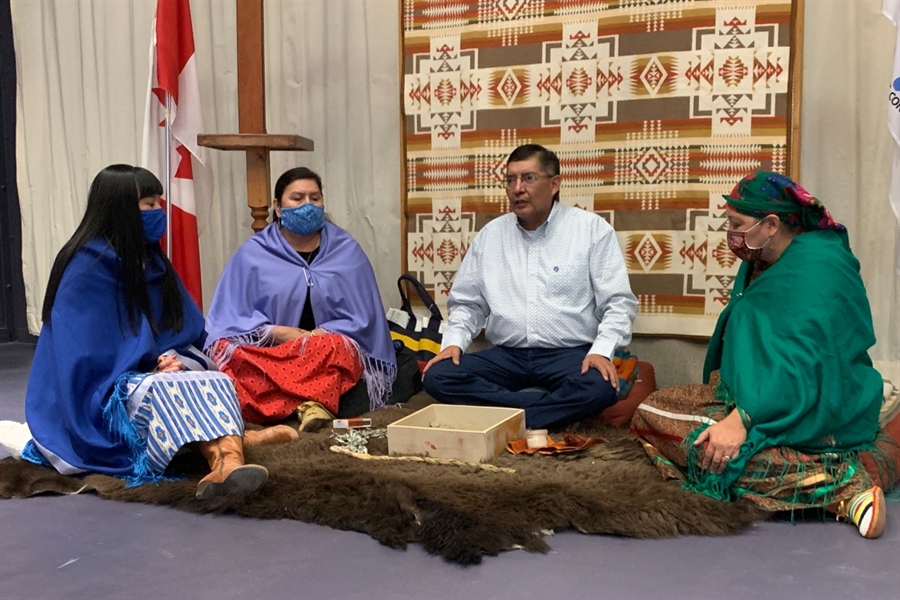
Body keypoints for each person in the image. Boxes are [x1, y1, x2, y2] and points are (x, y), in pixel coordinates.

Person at [631, 171, 893, 539]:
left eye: (736, 224)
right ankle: (807, 476)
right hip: (764, 393)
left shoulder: (817, 268)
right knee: (652, 412)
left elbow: (807, 366)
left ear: (771, 224)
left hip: (821, 405)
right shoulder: (765, 259)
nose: (730, 234)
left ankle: (840, 489)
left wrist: (743, 420)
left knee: (696, 440)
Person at [22, 165, 274, 500]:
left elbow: (182, 327)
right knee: (164, 388)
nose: (159, 212)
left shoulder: (151, 261)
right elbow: (83, 353)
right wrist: (150, 363)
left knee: (209, 375)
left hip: (149, 367)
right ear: (121, 209)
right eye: (149, 204)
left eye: (158, 203)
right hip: (96, 394)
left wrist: (175, 356)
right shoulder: (86, 267)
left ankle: (226, 458)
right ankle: (227, 449)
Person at [422, 144, 638, 430]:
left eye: (528, 178)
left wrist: (601, 351)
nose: (517, 189)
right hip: (507, 356)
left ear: (554, 184)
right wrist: (453, 344)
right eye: (510, 180)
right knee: (438, 377)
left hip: (570, 354)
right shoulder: (491, 236)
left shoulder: (591, 231)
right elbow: (468, 304)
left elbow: (619, 303)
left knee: (600, 388)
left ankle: (506, 417)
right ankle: (536, 417)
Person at [204, 167, 397, 429]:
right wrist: (275, 332)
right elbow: (227, 319)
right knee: (229, 352)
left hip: (325, 348)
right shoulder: (253, 253)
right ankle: (313, 401)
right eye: (297, 198)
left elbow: (364, 318)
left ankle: (282, 403)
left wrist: (319, 335)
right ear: (278, 206)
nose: (307, 205)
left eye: (314, 198)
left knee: (337, 349)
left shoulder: (346, 250)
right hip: (274, 350)